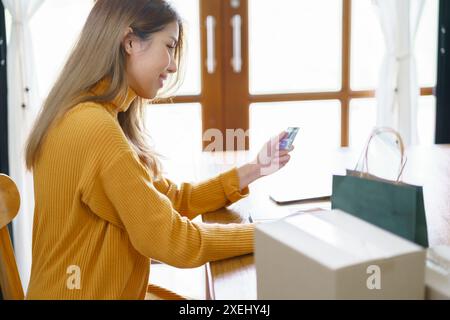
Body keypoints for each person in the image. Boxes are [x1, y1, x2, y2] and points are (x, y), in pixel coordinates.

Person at [24, 0, 294, 300]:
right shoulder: (94, 129)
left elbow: (170, 199)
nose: (173, 64)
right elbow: (174, 241)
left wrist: (255, 168)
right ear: (130, 42)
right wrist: (273, 233)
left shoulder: (86, 115)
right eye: (169, 45)